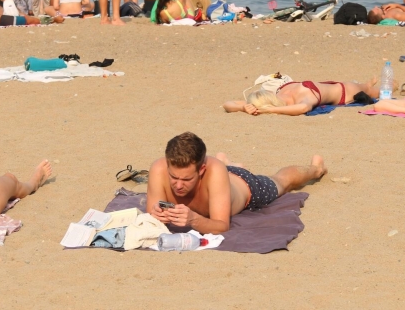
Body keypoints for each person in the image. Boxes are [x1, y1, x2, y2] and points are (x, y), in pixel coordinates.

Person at [146, 132, 327, 234]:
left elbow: (221, 225)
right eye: (174, 177)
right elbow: (151, 216)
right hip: (223, 179)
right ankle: (228, 163)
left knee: (281, 182)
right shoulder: (159, 169)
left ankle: (316, 168)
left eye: (186, 179)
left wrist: (193, 219)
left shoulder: (213, 172)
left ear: (201, 170)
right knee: (222, 171)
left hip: (244, 186)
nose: (178, 185)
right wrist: (155, 214)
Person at [224, 78, 383, 116]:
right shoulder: (274, 94)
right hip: (328, 86)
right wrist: (242, 107)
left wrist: (270, 111)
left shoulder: (303, 97)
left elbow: (304, 108)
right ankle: (371, 81)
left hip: (345, 91)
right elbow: (227, 104)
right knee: (371, 87)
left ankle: (377, 82)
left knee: (377, 91)